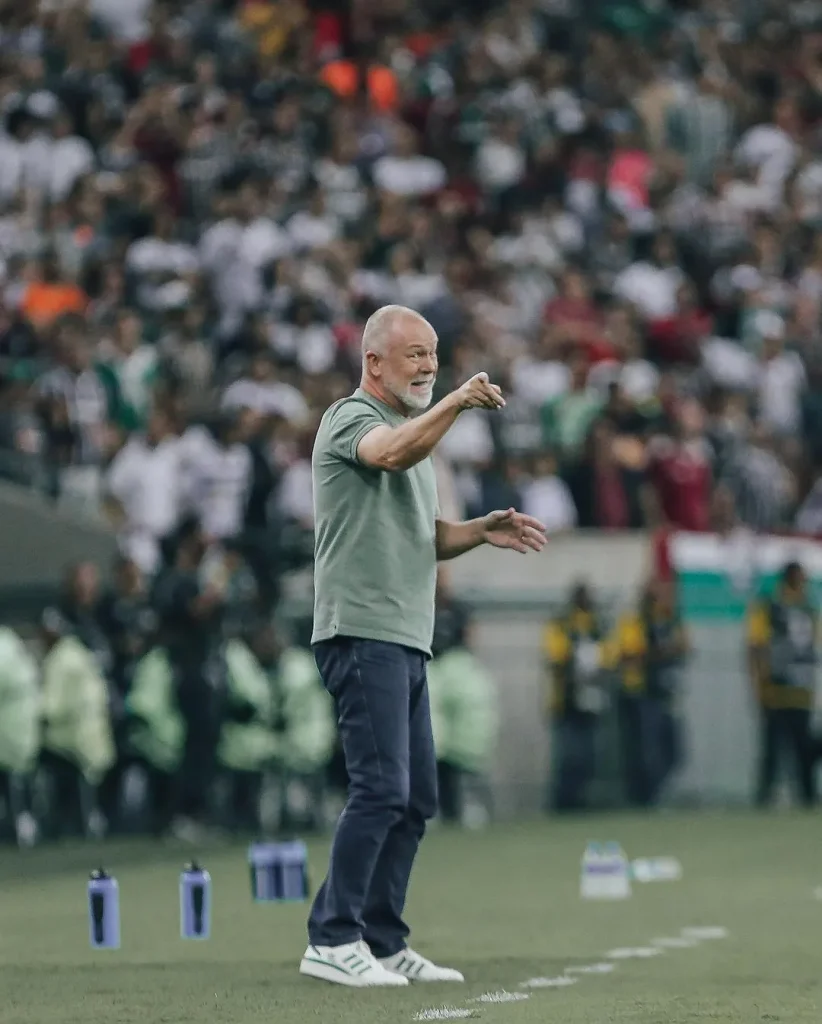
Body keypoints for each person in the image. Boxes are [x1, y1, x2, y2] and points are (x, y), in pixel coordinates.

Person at [300, 304, 546, 988]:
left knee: (415, 798)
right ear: (374, 362)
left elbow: (424, 535)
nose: (430, 367)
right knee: (380, 789)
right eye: (415, 355)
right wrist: (461, 402)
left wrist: (480, 529)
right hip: (362, 628)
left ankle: (380, 940)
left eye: (434, 355)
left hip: (405, 635)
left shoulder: (411, 437)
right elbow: (392, 452)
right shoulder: (354, 418)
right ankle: (331, 936)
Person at [613, 578, 689, 807]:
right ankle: (644, 800)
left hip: (667, 694)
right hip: (641, 695)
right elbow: (629, 655)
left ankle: (653, 795)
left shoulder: (671, 622)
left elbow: (684, 647)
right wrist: (662, 652)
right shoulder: (635, 622)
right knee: (647, 752)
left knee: (674, 752)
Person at [747, 561, 818, 808]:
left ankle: (807, 798)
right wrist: (757, 684)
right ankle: (765, 798)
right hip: (776, 691)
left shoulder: (808, 610)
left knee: (803, 750)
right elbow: (755, 647)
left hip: (801, 691)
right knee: (773, 750)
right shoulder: (770, 608)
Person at [543, 582, 608, 812]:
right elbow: (554, 656)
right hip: (566, 702)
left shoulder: (597, 624)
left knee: (588, 757)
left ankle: (582, 801)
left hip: (591, 699)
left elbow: (610, 655)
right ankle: (563, 803)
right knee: (568, 757)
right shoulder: (563, 623)